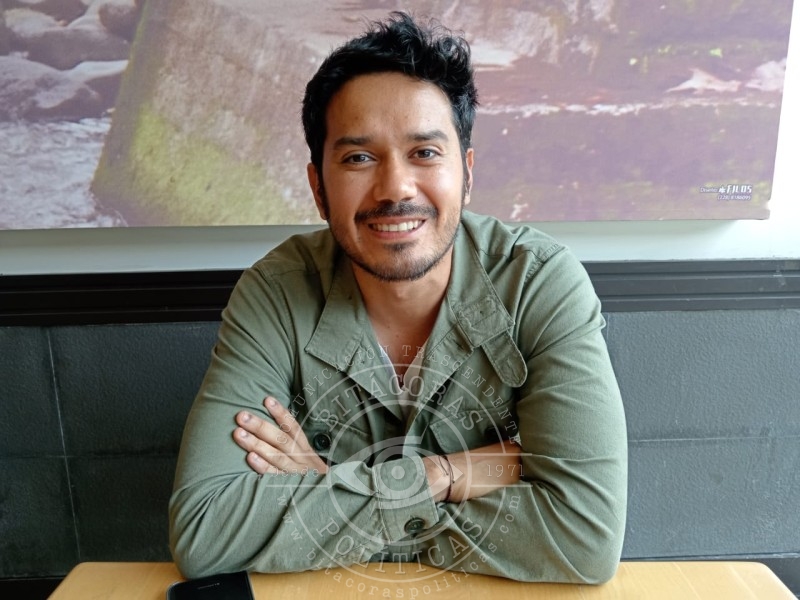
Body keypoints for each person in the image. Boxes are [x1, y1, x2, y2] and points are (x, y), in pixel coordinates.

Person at [169, 11, 627, 584]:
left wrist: (327, 486)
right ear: (318, 188)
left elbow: (584, 538)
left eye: (425, 153)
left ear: (467, 172)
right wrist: (450, 475)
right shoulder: (278, 291)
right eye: (359, 158)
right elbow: (206, 531)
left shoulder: (538, 282)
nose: (395, 189)